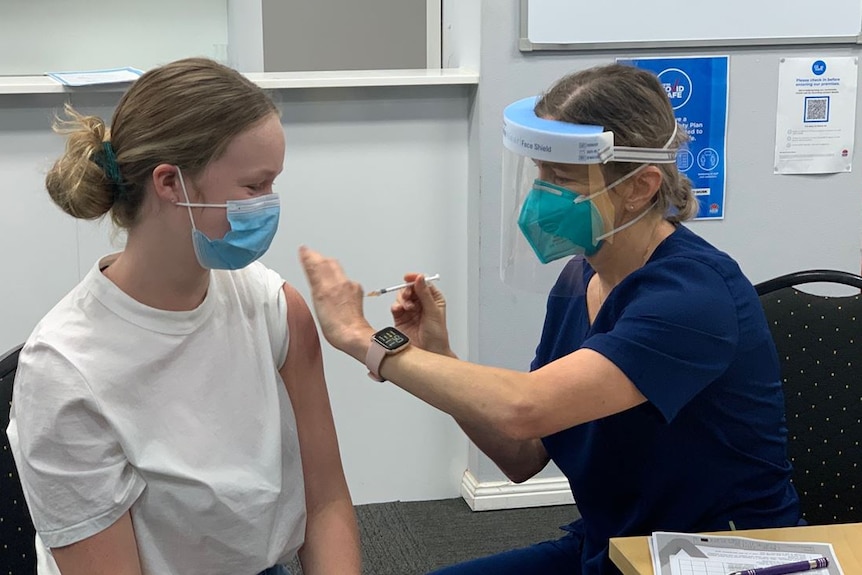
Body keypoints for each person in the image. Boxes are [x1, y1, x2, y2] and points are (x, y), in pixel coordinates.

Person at [298, 63, 800, 575]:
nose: (542, 196)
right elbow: (523, 454)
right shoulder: (579, 279)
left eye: (561, 178)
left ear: (640, 186)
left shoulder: (692, 297)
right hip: (616, 546)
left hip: (717, 557)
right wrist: (437, 356)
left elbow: (524, 409)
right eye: (540, 174)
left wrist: (365, 340)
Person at [6, 58, 360, 575]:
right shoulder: (64, 369)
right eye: (255, 186)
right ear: (170, 183)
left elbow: (326, 501)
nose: (269, 205)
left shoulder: (275, 309)